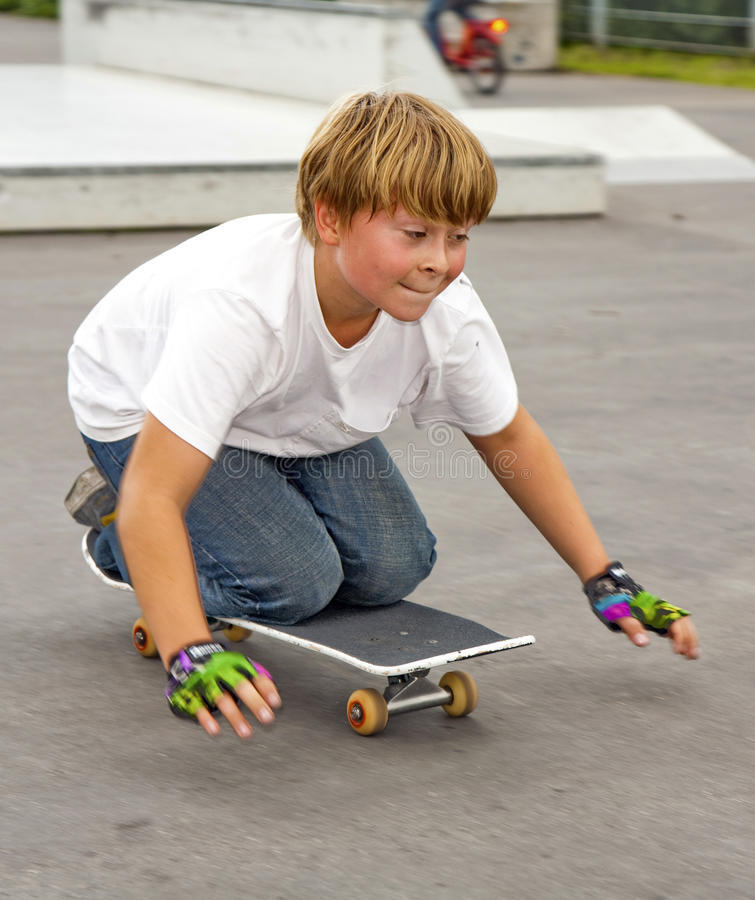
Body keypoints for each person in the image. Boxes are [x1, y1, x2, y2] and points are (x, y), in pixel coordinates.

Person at [66, 91, 699, 740]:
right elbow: (156, 493)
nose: (439, 263)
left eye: (458, 238)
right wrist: (186, 648)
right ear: (331, 217)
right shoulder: (241, 309)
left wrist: (601, 576)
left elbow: (509, 440)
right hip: (141, 411)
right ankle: (116, 539)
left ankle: (238, 514)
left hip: (297, 416)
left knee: (394, 567)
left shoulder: (446, 314)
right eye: (416, 234)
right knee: (293, 585)